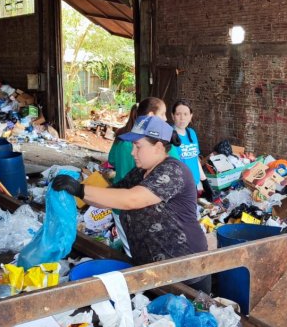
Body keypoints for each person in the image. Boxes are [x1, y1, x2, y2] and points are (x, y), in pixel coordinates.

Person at [52, 116, 210, 292]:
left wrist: (80, 189)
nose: (132, 152)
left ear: (158, 147)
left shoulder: (173, 170)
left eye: (138, 146)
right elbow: (111, 197)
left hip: (184, 269)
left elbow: (131, 199)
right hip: (152, 269)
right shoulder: (140, 172)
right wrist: (74, 191)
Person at [108, 97, 179, 184]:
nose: (165, 119)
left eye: (138, 147)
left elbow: (112, 160)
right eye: (162, 114)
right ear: (151, 116)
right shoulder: (165, 144)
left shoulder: (121, 135)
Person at [171, 99, 213, 200]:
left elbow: (195, 159)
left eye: (186, 114)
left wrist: (205, 182)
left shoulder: (191, 133)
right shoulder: (170, 135)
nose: (182, 118)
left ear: (191, 116)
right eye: (178, 114)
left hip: (193, 184)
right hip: (179, 186)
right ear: (172, 116)